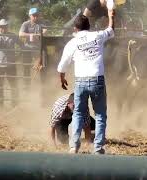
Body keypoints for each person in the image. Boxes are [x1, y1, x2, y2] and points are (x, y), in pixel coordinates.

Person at [57, 10, 114, 154]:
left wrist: (62, 78)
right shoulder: (98, 36)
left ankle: (73, 146)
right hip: (97, 80)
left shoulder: (72, 42)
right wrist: (111, 16)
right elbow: (111, 30)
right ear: (89, 26)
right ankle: (98, 148)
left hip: (81, 81)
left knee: (78, 113)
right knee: (100, 114)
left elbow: (63, 65)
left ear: (75, 29)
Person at [0, 19, 20, 107]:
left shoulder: (13, 36)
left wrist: (18, 55)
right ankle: (0, 104)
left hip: (11, 64)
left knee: (13, 84)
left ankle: (14, 103)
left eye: (5, 27)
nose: (3, 29)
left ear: (7, 27)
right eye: (1, 27)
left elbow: (21, 44)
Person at [19, 8, 47, 87]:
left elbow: (45, 31)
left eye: (37, 15)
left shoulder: (41, 23)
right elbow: (20, 34)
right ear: (30, 16)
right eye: (33, 15)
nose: (35, 17)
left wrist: (38, 35)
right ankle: (26, 85)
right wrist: (31, 35)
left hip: (38, 49)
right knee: (26, 67)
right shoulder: (26, 24)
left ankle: (40, 84)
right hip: (27, 48)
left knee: (40, 67)